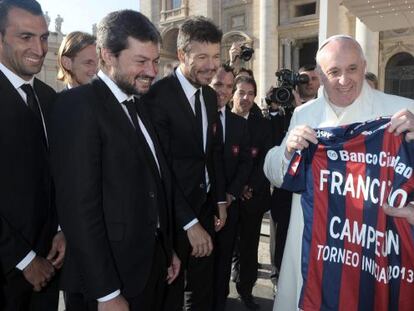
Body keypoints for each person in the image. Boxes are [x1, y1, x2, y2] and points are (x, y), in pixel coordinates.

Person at [264, 34, 414, 311]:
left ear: (364, 65)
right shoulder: (305, 114)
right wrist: (287, 151)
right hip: (317, 251)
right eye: (334, 72)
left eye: (352, 69)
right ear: (319, 75)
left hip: (372, 250)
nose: (344, 80)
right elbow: (274, 172)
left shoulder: (401, 112)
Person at [49, 10, 180, 311]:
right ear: (108, 56)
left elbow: (154, 183)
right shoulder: (77, 106)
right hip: (108, 282)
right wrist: (106, 292)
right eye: (141, 62)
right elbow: (79, 210)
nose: (152, 71)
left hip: (149, 266)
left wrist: (166, 248)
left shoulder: (139, 103)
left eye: (155, 60)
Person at [143, 16, 227, 311]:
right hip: (171, 215)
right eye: (202, 57)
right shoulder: (157, 97)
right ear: (181, 55)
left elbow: (212, 151)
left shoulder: (207, 95)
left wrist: (219, 200)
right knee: (170, 293)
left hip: (204, 207)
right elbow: (160, 170)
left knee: (202, 290)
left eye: (216, 56)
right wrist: (189, 223)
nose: (211, 65)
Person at [0, 0, 65, 310]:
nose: (39, 49)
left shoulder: (48, 98)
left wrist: (62, 230)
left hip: (49, 264)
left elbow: (58, 174)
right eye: (25, 37)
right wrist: (24, 259)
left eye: (43, 37)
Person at [210, 64, 253, 311]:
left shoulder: (239, 124)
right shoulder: (197, 119)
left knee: (224, 260)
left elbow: (246, 161)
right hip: (200, 207)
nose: (223, 91)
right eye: (218, 85)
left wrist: (230, 195)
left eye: (228, 86)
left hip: (230, 205)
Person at [231, 75, 272, 310]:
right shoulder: (219, 119)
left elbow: (265, 160)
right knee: (226, 247)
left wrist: (249, 187)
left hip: (252, 198)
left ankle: (246, 291)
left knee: (248, 247)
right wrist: (234, 188)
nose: (245, 98)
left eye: (250, 93)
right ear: (233, 94)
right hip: (225, 199)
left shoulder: (262, 125)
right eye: (241, 92)